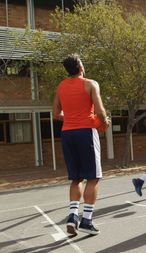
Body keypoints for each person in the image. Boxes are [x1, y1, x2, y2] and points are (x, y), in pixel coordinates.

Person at [53, 54, 111, 236]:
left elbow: (56, 114)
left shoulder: (61, 86)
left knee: (76, 178)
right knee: (93, 177)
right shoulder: (91, 84)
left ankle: (72, 216)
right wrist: (105, 121)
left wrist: (70, 118)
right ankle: (86, 220)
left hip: (67, 133)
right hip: (85, 132)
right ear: (80, 66)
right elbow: (100, 111)